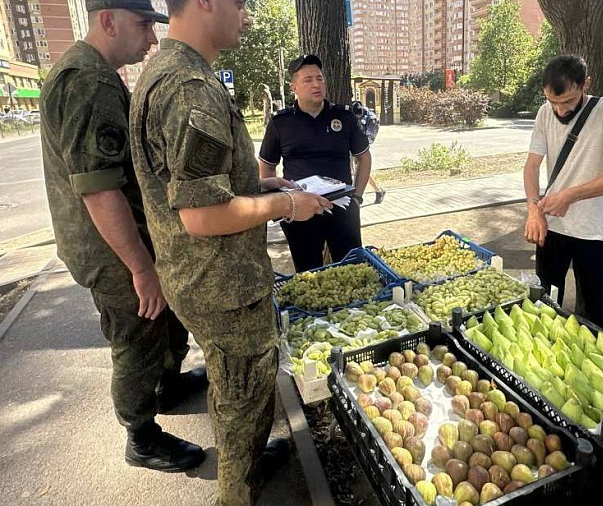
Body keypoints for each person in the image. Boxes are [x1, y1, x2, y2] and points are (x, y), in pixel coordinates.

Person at [127, 1, 332, 504]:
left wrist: (261, 184)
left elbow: (193, 184)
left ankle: (249, 459)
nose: (247, 15)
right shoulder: (188, 87)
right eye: (240, 4)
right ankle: (237, 490)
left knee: (229, 385)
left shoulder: (170, 70)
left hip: (195, 276)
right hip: (221, 284)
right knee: (243, 395)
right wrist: (285, 204)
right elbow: (203, 216)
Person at [39, 0, 207, 474]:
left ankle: (166, 386)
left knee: (163, 322)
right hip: (112, 249)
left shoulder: (92, 72)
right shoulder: (88, 81)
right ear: (107, 21)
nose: (152, 39)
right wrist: (140, 268)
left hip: (122, 238)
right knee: (137, 333)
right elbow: (99, 190)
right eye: (142, 26)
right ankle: (141, 434)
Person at [524, 55, 603, 327]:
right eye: (553, 101)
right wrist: (533, 208)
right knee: (544, 307)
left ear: (585, 84)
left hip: (593, 231)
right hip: (550, 226)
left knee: (591, 313)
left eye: (567, 101)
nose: (560, 110)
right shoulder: (545, 112)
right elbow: (531, 166)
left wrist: (570, 195)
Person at [258, 55, 374, 272]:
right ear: (294, 87)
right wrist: (276, 203)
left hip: (342, 208)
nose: (316, 84)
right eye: (308, 80)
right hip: (298, 211)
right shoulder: (280, 123)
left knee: (352, 271)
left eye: (320, 79)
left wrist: (356, 197)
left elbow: (364, 157)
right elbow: (266, 165)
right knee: (308, 273)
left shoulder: (344, 117)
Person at [351, 101, 387, 204]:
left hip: (362, 149)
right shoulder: (352, 113)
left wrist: (358, 148)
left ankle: (378, 191)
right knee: (359, 171)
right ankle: (379, 191)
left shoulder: (370, 119)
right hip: (353, 147)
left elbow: (369, 139)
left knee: (361, 170)